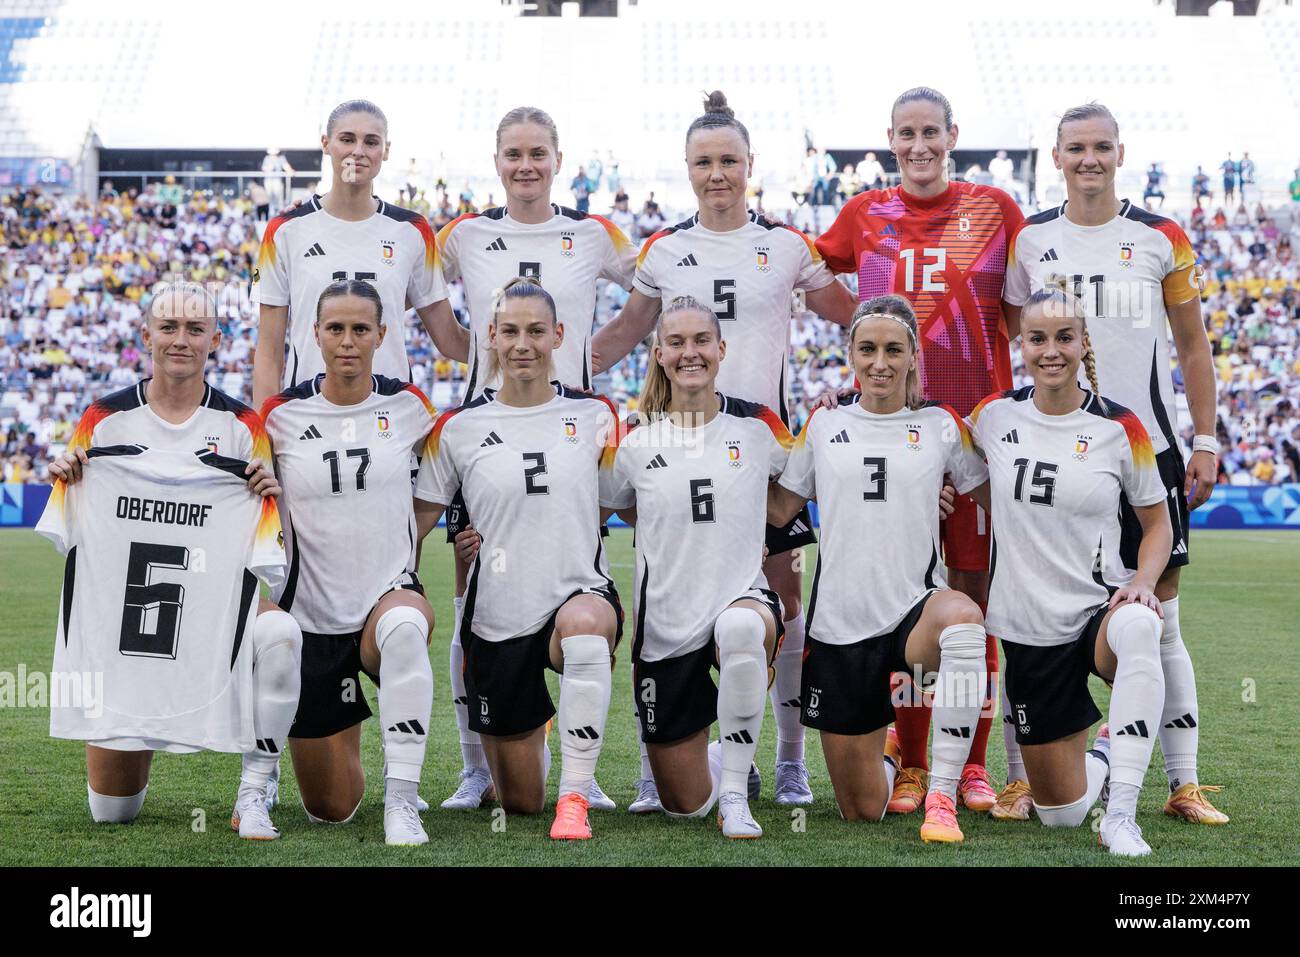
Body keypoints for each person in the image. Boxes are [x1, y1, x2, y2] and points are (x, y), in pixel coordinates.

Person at [592, 90, 858, 811]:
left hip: (762, 456)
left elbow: (857, 318)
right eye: (704, 162)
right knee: (660, 596)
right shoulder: (665, 250)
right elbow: (622, 336)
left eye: (729, 161)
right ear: (687, 168)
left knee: (784, 600)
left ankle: (789, 762)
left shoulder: (786, 247)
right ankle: (657, 767)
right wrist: (538, 380)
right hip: (676, 453)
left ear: (751, 165)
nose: (718, 174)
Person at [1003, 102, 1227, 826]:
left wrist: (1205, 438)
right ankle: (1018, 775)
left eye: (1101, 146)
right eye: (1076, 147)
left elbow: (1193, 346)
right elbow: (1020, 326)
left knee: (1160, 619)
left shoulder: (1161, 235)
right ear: (1057, 156)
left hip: (1149, 454)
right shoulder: (1033, 238)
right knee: (1029, 612)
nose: (1089, 158)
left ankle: (1183, 781)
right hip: (1059, 454)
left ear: (1120, 152)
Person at [814, 86, 1024, 816]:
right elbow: (808, 276)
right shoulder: (865, 213)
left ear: (952, 135)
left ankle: (967, 762)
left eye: (931, 131)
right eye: (907, 133)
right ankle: (907, 758)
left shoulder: (995, 208)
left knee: (973, 604)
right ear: (891, 139)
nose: (920, 145)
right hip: (893, 445)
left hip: (970, 446)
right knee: (898, 599)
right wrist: (855, 322)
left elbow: (1026, 310)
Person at [44, 281, 301, 841]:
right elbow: (70, 530)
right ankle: (146, 717)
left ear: (215, 338)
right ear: (147, 335)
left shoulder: (241, 428)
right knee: (111, 813)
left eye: (194, 328)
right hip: (126, 637)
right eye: (169, 327)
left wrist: (265, 490)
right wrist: (68, 480)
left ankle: (256, 786)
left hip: (208, 617)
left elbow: (267, 552)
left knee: (279, 633)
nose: (180, 339)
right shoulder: (103, 420)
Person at [433, 105, 636, 811]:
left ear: (557, 157)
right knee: (473, 590)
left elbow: (648, 295)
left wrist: (594, 352)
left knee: (577, 572)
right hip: (482, 435)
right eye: (513, 154)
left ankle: (584, 767)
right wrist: (471, 354)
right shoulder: (462, 235)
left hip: (564, 424)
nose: (526, 166)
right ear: (496, 161)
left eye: (538, 153)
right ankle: (475, 766)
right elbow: (428, 306)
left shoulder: (592, 233)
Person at [769, 297, 990, 842]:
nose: (880, 362)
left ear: (914, 355)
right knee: (861, 810)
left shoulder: (941, 425)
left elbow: (998, 498)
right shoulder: (824, 422)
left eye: (894, 349)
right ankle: (893, 758)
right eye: (867, 349)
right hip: (842, 626)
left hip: (915, 614)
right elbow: (778, 510)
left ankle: (941, 794)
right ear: (849, 354)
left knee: (964, 619)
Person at [967, 279, 1173, 856]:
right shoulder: (992, 416)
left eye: (1064, 337)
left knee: (1141, 627)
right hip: (1030, 628)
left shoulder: (1120, 427)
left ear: (1084, 343)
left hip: (1097, 609)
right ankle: (1105, 754)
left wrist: (1141, 584)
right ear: (1021, 345)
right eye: (1037, 339)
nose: (1050, 350)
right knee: (1059, 815)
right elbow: (938, 452)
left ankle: (1122, 816)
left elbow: (1158, 524)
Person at [414, 278, 622, 841]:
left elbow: (637, 496)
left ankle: (577, 794)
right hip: (499, 615)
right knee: (519, 800)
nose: (523, 343)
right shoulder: (457, 430)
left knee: (584, 631)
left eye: (536, 331)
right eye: (511, 331)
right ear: (492, 337)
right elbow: (414, 520)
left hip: (578, 593)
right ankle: (542, 755)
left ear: (558, 335)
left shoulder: (597, 416)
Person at [602, 297, 791, 837]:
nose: (691, 353)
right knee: (684, 805)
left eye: (701, 341)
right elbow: (604, 506)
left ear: (721, 349)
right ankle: (726, 759)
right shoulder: (634, 444)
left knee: (739, 628)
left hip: (742, 602)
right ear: (659, 354)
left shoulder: (758, 429)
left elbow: (809, 485)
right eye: (678, 343)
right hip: (668, 627)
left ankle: (736, 794)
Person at [260, 281, 439, 846]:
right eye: (334, 328)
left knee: (405, 626)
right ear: (315, 334)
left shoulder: (410, 406)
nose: (347, 341)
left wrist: (468, 533)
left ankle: (403, 802)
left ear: (381, 336)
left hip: (386, 598)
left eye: (360, 329)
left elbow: (457, 478)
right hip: (311, 615)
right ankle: (329, 740)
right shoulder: (280, 417)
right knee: (332, 808)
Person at [252, 99, 467, 409]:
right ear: (326, 143)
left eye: (371, 141)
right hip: (307, 419)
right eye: (347, 139)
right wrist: (263, 437)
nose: (358, 151)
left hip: (392, 421)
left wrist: (527, 348)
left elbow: (449, 338)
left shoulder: (413, 230)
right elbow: (269, 352)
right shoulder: (285, 230)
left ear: (386, 150)